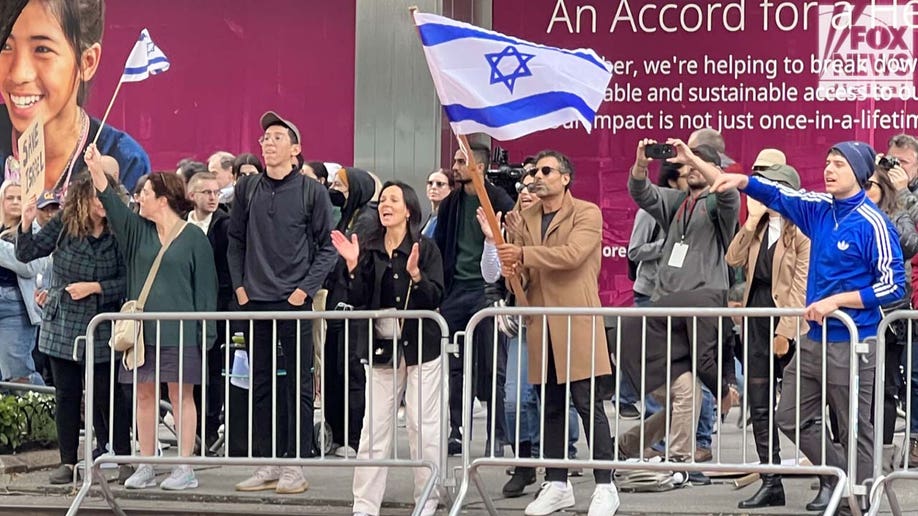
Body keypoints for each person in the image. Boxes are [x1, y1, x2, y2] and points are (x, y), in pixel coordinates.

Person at [711, 141, 907, 513]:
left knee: (855, 429)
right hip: (814, 341)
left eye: (839, 165)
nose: (829, 170)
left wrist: (838, 300)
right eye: (827, 163)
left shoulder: (873, 222)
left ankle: (859, 501)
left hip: (853, 341)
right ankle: (841, 477)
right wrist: (743, 182)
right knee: (788, 417)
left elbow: (894, 285)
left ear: (861, 174)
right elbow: (781, 195)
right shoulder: (819, 210)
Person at [85, 143, 218, 491]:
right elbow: (110, 201)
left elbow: (206, 289)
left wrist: (207, 335)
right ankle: (146, 462)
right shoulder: (135, 232)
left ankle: (184, 467)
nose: (139, 198)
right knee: (143, 396)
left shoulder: (194, 239)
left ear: (163, 199)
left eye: (144, 193)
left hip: (183, 332)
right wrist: (96, 166)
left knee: (180, 397)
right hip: (143, 334)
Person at [498, 150, 619, 516]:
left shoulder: (586, 212)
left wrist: (522, 252)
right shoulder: (524, 217)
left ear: (565, 177)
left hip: (575, 320)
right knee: (548, 403)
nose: (537, 175)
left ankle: (605, 485)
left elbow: (572, 255)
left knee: (587, 402)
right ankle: (556, 483)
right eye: (534, 170)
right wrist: (502, 251)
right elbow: (521, 276)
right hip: (542, 323)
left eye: (546, 170)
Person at [228, 111, 337, 494]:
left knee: (298, 384)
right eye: (265, 138)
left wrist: (304, 290)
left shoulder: (312, 191)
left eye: (277, 137)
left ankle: (295, 463)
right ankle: (268, 461)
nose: (268, 143)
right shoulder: (248, 189)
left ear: (296, 149)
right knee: (258, 383)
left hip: (293, 302)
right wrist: (240, 286)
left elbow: (328, 248)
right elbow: (235, 239)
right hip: (255, 300)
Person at [331, 181, 444, 516]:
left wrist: (416, 277)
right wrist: (352, 267)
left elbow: (436, 296)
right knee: (374, 430)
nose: (385, 205)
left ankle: (427, 499)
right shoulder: (367, 247)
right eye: (382, 200)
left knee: (422, 428)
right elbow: (359, 299)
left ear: (408, 208)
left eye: (393, 200)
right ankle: (364, 505)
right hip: (381, 350)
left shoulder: (425, 247)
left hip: (421, 349)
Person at [15, 171, 131, 485]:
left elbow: (129, 279)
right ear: (83, 199)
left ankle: (121, 456)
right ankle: (67, 461)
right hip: (63, 322)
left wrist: (96, 287)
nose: (103, 203)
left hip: (102, 323)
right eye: (97, 197)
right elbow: (27, 252)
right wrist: (26, 222)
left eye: (106, 195)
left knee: (109, 395)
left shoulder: (121, 229)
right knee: (67, 394)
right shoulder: (66, 224)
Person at [724, 163, 810, 509]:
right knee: (760, 403)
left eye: (770, 187)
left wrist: (785, 332)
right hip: (757, 314)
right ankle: (770, 479)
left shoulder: (802, 227)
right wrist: (749, 221)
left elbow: (801, 285)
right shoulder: (758, 225)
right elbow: (732, 259)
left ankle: (825, 477)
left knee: (804, 407)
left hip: (791, 320)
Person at [0, 0, 149, 194]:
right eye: (5, 46)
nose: (19, 75)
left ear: (87, 62)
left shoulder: (125, 159)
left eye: (42, 49)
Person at [435, 142, 514, 457]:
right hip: (456, 292)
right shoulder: (451, 203)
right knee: (455, 367)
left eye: (460, 161)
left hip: (487, 291)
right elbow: (441, 248)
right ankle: (458, 429)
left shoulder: (498, 199)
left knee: (494, 367)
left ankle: (497, 436)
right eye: (454, 160)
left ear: (478, 167)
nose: (454, 167)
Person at [864, 162, 918, 473]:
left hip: (889, 316)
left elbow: (910, 244)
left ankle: (879, 461)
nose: (864, 191)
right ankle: (846, 461)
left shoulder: (897, 215)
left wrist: (883, 220)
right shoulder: (845, 215)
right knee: (843, 389)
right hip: (851, 315)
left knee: (884, 388)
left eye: (871, 186)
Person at [323, 166, 379, 458]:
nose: (335, 189)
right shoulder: (345, 216)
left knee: (352, 371)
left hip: (354, 305)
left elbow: (346, 260)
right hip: (336, 303)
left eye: (340, 185)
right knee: (334, 370)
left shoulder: (367, 219)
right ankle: (337, 431)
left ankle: (355, 436)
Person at [185, 172, 231, 451]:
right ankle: (191, 428)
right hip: (185, 307)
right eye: (207, 193)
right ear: (193, 195)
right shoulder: (181, 225)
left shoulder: (225, 226)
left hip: (216, 306)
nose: (213, 197)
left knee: (214, 368)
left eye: (216, 192)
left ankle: (210, 426)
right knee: (189, 368)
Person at [0, 180, 46, 385]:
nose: (15, 202)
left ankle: (44, 413)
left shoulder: (35, 229)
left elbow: (30, 267)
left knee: (18, 373)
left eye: (20, 197)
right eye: (10, 197)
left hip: (15, 305)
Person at [421, 168, 453, 238]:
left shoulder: (451, 219)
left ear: (451, 189)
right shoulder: (427, 217)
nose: (433, 187)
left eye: (440, 184)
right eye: (430, 183)